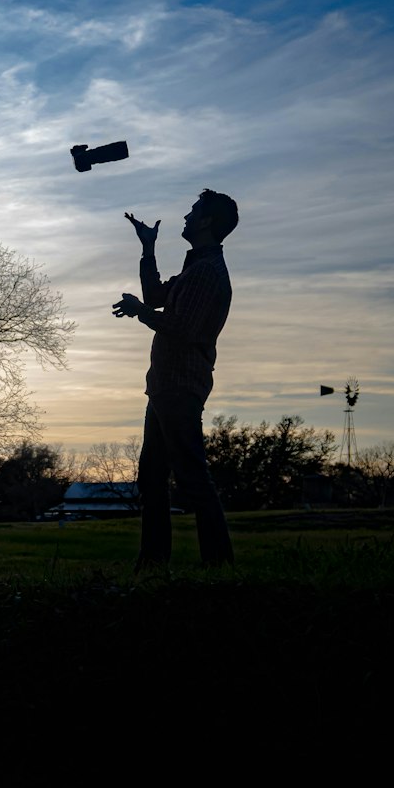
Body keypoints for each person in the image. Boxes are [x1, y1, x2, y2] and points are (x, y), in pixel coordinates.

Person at [113, 190, 237, 568]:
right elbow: (155, 296)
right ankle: (152, 564)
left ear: (206, 222)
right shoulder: (195, 268)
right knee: (152, 479)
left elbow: (181, 328)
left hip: (181, 386)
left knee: (191, 477)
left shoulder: (206, 272)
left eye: (193, 211)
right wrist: (148, 248)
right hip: (167, 385)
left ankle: (219, 565)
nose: (185, 216)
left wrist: (137, 311)